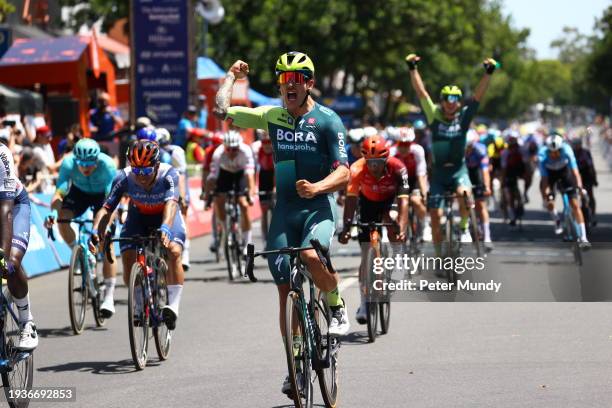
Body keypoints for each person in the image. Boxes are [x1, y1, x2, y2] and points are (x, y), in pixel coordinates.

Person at [213, 52, 350, 397]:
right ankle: (296, 360)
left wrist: (318, 187)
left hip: (318, 206)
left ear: (309, 83)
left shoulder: (328, 121)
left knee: (310, 256)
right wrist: (230, 76)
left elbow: (345, 171)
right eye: (284, 79)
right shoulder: (273, 117)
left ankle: (335, 304)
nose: (289, 84)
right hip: (284, 211)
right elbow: (221, 110)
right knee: (284, 291)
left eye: (297, 78)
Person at [405, 53, 498, 256]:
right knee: (436, 216)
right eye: (447, 98)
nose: (451, 102)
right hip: (438, 174)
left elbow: (478, 96)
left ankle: (464, 227)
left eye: (455, 98)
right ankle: (439, 255)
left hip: (458, 170)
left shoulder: (464, 118)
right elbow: (421, 93)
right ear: (442, 101)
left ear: (458, 102)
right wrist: (413, 69)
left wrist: (488, 73)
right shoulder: (434, 116)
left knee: (465, 194)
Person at [90, 140, 186, 330]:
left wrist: (166, 228)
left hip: (165, 216)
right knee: (128, 255)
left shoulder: (169, 174)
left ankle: (173, 306)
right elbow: (107, 209)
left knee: (173, 251)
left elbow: (171, 204)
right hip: (138, 216)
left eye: (146, 172)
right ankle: (139, 301)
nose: (141, 177)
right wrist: (96, 231)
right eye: (137, 171)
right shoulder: (123, 177)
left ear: (156, 166)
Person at [338, 135, 409, 323]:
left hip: (389, 201)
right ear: (364, 159)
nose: (374, 166)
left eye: (378, 162)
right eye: (370, 162)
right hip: (367, 203)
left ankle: (398, 259)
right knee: (366, 252)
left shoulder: (398, 168)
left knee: (393, 222)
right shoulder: (356, 169)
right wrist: (346, 226)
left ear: (386, 158)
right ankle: (364, 303)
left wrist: (401, 226)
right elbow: (351, 199)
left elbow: (403, 201)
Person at [45, 139, 118, 317]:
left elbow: (111, 202)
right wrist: (54, 213)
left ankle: (109, 296)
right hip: (79, 194)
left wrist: (100, 227)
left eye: (90, 164)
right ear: (76, 159)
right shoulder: (68, 163)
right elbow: (59, 192)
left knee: (105, 241)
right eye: (82, 164)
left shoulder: (107, 165)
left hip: (103, 197)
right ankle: (77, 255)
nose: (86, 168)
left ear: (97, 159)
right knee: (62, 218)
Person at [0, 140, 38, 350]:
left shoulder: (1, 153)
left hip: (12, 206)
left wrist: (2, 256)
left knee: (10, 263)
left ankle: (26, 322)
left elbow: (5, 210)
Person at [204, 131, 256, 262]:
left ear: (239, 146)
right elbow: (212, 177)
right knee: (218, 200)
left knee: (244, 204)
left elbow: (250, 175)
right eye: (229, 149)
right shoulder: (218, 154)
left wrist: (250, 193)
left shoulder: (246, 151)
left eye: (235, 149)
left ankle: (247, 244)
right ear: (224, 147)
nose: (232, 152)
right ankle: (225, 228)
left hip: (240, 174)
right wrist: (208, 196)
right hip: (224, 174)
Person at [538, 133, 590, 247]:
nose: (555, 154)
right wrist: (547, 195)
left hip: (565, 173)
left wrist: (580, 187)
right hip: (550, 175)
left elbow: (575, 172)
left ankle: (584, 238)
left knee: (575, 206)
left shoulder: (567, 150)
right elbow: (545, 180)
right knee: (549, 201)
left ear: (561, 148)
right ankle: (556, 219)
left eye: (557, 151)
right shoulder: (542, 155)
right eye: (552, 152)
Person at [155, 128, 193, 270]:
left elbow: (181, 175)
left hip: (177, 182)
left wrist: (181, 197)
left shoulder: (176, 151)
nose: (162, 149)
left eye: (164, 145)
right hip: (161, 184)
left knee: (182, 216)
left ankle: (185, 254)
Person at [393, 127, 430, 241]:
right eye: (401, 144)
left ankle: (425, 226)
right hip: (398, 181)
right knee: (395, 206)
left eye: (407, 144)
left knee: (416, 201)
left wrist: (424, 194)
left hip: (414, 180)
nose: (404, 147)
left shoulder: (418, 150)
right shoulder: (391, 152)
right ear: (396, 143)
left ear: (411, 143)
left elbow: (421, 175)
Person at [465, 130, 493, 247]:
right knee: (464, 200)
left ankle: (487, 236)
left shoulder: (480, 150)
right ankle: (466, 224)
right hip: (465, 172)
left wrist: (487, 186)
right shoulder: (459, 150)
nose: (468, 150)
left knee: (481, 205)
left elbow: (485, 171)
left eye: (470, 147)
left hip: (477, 173)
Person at [500, 131, 527, 226]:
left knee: (510, 196)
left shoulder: (505, 152)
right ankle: (520, 203)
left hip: (512, 174)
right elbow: (526, 164)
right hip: (517, 173)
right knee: (512, 195)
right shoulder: (521, 149)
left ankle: (513, 214)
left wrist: (502, 181)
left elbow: (503, 168)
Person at [570, 135, 597, 226]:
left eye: (577, 144)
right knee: (574, 197)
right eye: (574, 145)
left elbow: (591, 166)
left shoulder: (585, 152)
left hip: (586, 177)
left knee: (589, 195)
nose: (576, 146)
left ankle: (592, 214)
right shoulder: (571, 153)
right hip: (575, 178)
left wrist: (594, 179)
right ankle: (575, 215)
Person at [253, 130, 275, 240]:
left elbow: (277, 171)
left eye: (269, 142)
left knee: (275, 210)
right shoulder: (256, 150)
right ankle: (265, 239)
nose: (267, 145)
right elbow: (253, 170)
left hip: (274, 176)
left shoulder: (276, 150)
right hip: (263, 178)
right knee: (264, 211)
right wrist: (253, 187)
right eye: (264, 143)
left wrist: (275, 187)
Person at [89, 92, 124, 157]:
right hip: (99, 140)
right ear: (98, 101)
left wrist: (111, 114)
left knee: (113, 158)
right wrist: (96, 128)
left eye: (105, 101)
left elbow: (121, 124)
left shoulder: (113, 111)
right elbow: (90, 127)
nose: (104, 103)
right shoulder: (93, 113)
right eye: (101, 101)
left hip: (111, 140)